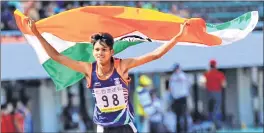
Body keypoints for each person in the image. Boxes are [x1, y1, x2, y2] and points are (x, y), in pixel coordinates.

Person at [26, 16, 189, 133]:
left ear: (111, 51)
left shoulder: (122, 66)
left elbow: (155, 55)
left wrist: (177, 37)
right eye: (97, 50)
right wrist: (36, 34)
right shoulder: (88, 69)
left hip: (125, 126)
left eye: (104, 50)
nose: (100, 53)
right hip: (104, 127)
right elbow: (57, 57)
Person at [202, 59, 227, 129]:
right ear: (216, 66)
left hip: (209, 93)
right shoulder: (220, 74)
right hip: (217, 92)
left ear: (210, 66)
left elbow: (202, 84)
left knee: (210, 109)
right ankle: (217, 125)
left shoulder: (206, 74)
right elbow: (224, 85)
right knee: (216, 109)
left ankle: (211, 124)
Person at [169, 63, 191, 133]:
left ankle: (185, 130)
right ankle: (179, 130)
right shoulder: (173, 77)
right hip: (177, 98)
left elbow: (188, 85)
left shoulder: (183, 76)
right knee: (178, 116)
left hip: (182, 97)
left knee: (184, 115)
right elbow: (171, 88)